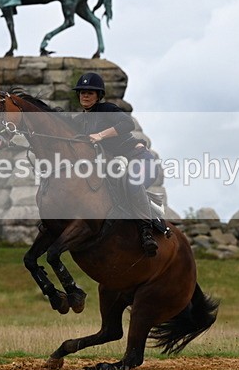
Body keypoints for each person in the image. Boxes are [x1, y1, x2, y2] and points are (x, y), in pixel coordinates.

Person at [72, 72, 172, 256]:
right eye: (82, 92)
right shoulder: (79, 121)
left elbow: (127, 124)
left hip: (139, 159)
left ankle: (146, 231)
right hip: (114, 167)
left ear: (98, 96)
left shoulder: (107, 109)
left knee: (132, 182)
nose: (85, 95)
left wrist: (100, 135)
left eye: (90, 93)